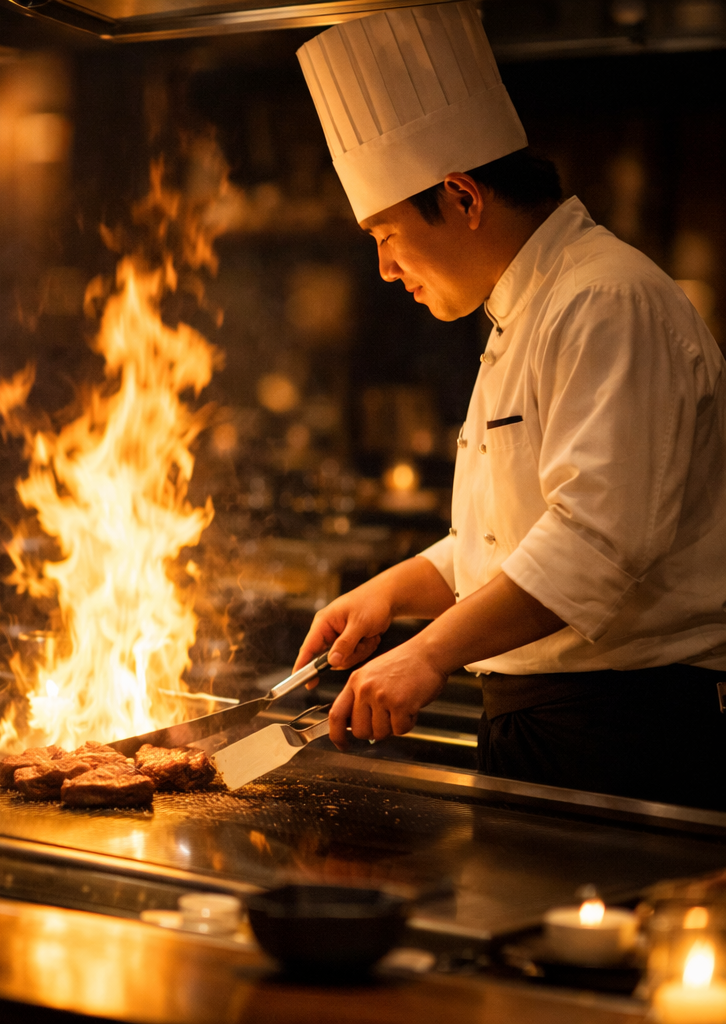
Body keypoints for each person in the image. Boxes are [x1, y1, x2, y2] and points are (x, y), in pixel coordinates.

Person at [291, 2, 726, 808]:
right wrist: (391, 592)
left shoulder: (606, 299)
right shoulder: (524, 311)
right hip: (552, 728)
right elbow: (511, 542)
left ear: (461, 195)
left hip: (625, 735)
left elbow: (595, 544)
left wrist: (427, 656)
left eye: (387, 235)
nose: (386, 270)